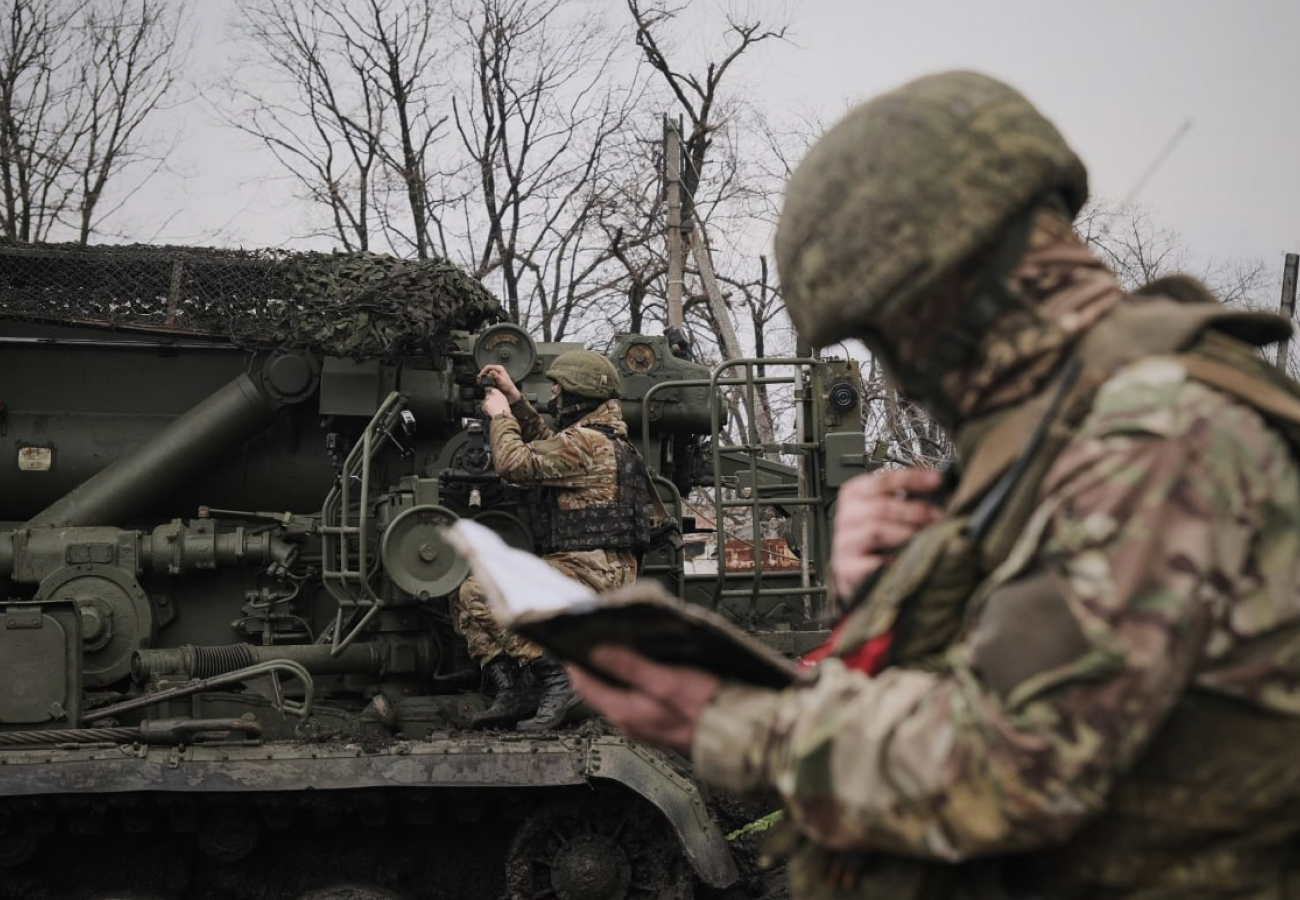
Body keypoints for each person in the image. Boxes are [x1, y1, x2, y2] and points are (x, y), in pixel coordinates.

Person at [567, 70, 1300, 898]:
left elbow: (1015, 766)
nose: (907, 383)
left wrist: (731, 720)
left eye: (888, 337)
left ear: (943, 294)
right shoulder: (1072, 440)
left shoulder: (1164, 431)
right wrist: (888, 592)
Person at [455, 349, 649, 732]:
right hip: (596, 567)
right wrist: (514, 398)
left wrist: (501, 417)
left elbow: (515, 464)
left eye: (559, 388)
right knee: (461, 595)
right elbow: (549, 444)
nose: (554, 395)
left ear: (578, 395)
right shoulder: (597, 439)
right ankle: (516, 692)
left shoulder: (586, 443)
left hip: (590, 572)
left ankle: (561, 681)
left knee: (480, 590)